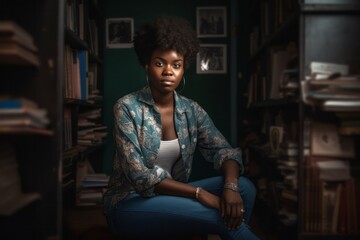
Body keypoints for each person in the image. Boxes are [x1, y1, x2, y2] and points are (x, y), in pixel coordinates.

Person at [103, 15, 260, 240]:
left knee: (245, 188)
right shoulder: (127, 108)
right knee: (219, 216)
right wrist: (198, 193)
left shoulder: (191, 110)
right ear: (146, 65)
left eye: (176, 65)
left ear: (183, 68)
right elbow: (141, 177)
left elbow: (224, 151)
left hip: (172, 198)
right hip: (129, 202)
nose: (168, 71)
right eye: (159, 63)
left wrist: (231, 187)